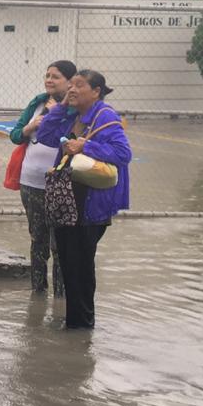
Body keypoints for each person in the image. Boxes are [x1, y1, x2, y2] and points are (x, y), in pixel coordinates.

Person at [36, 70, 132, 329]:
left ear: (96, 91)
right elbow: (44, 136)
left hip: (90, 207)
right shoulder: (73, 116)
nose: (73, 89)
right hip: (68, 204)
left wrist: (85, 146)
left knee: (80, 268)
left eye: (80, 85)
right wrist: (61, 108)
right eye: (72, 85)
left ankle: (82, 326)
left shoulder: (105, 116)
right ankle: (74, 323)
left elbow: (123, 153)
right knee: (68, 264)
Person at [8, 60, 78, 295]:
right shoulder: (37, 103)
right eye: (47, 75)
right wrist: (30, 127)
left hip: (61, 185)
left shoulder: (76, 109)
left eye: (55, 76)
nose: (49, 80)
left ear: (70, 82)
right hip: (31, 182)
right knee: (37, 240)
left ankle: (61, 297)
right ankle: (38, 294)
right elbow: (16, 136)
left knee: (61, 244)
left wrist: (56, 114)